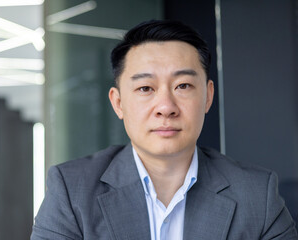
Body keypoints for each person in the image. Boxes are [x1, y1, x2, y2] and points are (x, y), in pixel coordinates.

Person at [31, 20, 298, 240]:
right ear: (118, 102)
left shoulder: (256, 195)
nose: (166, 107)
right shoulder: (72, 191)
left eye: (183, 86)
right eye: (145, 88)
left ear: (207, 96)